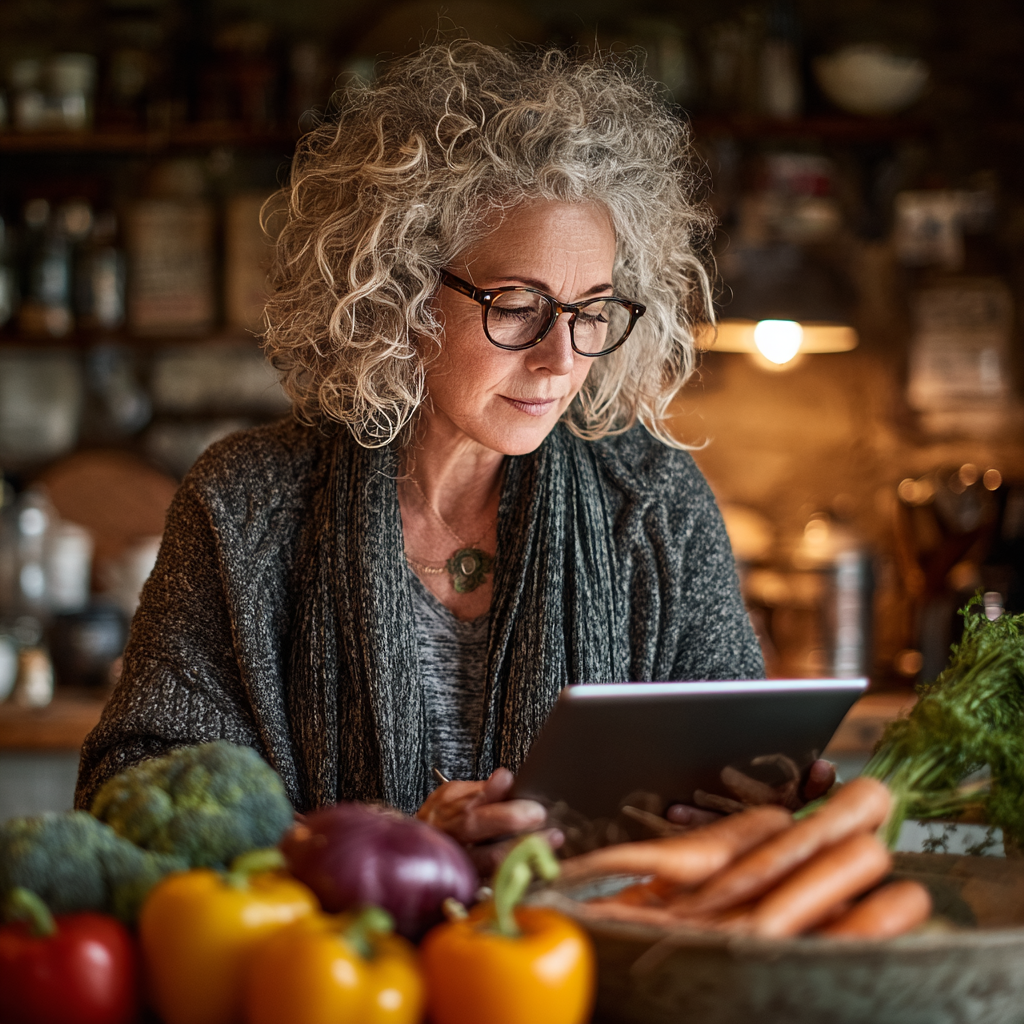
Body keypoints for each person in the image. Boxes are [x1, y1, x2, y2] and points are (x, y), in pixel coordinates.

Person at [75, 41, 832, 867]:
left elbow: (720, 772)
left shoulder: (653, 499)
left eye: (591, 310)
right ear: (395, 291)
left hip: (590, 946)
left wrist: (756, 806)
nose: (560, 359)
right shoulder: (246, 504)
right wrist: (390, 850)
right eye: (517, 305)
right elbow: (130, 792)